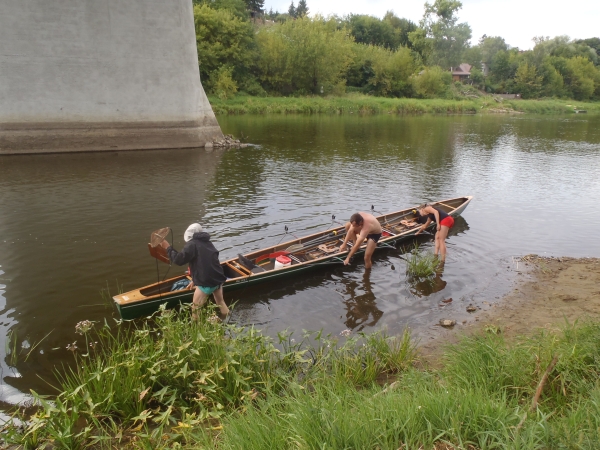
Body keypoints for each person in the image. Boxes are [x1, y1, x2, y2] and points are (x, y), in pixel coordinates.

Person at [160, 223, 229, 318]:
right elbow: (205, 263)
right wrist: (194, 280)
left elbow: (179, 260)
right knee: (220, 302)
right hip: (218, 279)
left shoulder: (192, 244)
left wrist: (167, 247)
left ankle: (197, 329)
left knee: (195, 309)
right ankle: (228, 320)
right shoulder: (208, 243)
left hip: (206, 282)